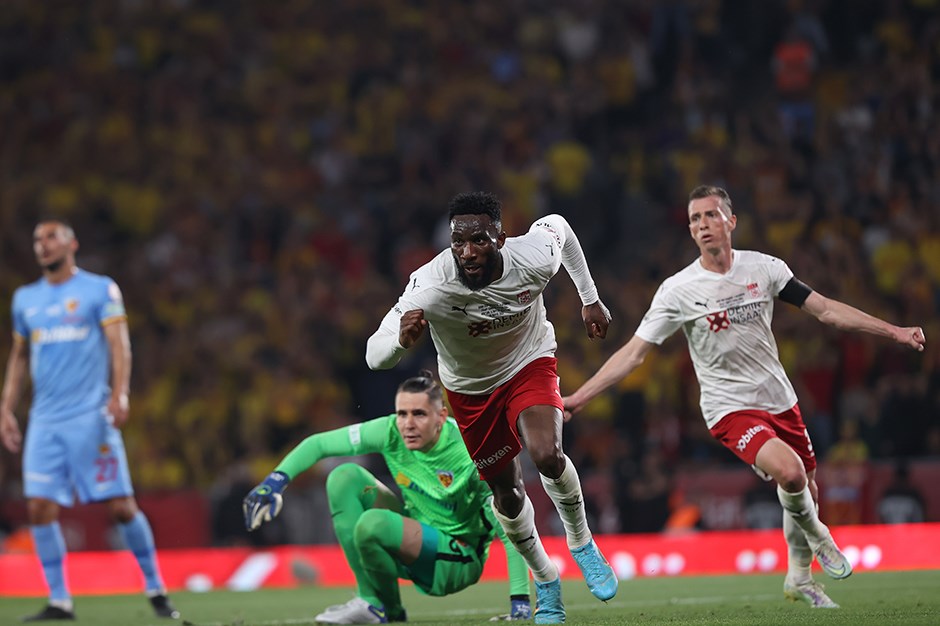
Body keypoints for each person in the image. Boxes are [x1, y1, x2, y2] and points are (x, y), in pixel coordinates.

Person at [563, 185, 927, 610]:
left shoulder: (765, 269)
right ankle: (820, 536)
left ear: (731, 222)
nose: (703, 225)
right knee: (791, 473)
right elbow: (633, 354)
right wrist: (580, 397)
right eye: (695, 219)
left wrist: (895, 331)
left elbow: (826, 310)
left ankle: (799, 578)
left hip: (779, 398)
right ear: (690, 230)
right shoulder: (678, 290)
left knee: (805, 488)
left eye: (711, 215)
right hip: (728, 408)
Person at [365, 191, 618, 624]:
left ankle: (582, 543)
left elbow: (561, 226)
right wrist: (400, 343)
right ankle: (546, 580)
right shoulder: (429, 285)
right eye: (458, 242)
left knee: (547, 453)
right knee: (507, 493)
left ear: (500, 238)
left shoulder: (533, 256)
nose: (467, 252)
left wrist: (589, 298)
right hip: (470, 390)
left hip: (529, 363)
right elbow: (375, 356)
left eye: (479, 240)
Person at [242, 371, 531, 624]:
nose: (407, 424)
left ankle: (380, 606)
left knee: (373, 524)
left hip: (457, 560)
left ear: (441, 417)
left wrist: (520, 601)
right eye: (402, 414)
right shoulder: (390, 431)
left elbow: (510, 529)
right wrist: (274, 482)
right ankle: (374, 603)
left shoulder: (470, 453)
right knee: (344, 477)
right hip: (414, 534)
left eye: (419, 414)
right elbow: (318, 444)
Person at [0, 219, 180, 621]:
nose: (42, 245)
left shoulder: (100, 290)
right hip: (45, 422)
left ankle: (156, 587)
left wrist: (120, 392)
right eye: (37, 239)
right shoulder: (25, 299)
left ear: (72, 244)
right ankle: (59, 600)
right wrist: (6, 407)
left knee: (121, 507)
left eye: (51, 237)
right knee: (39, 508)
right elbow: (19, 357)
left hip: (89, 417)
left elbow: (119, 344)